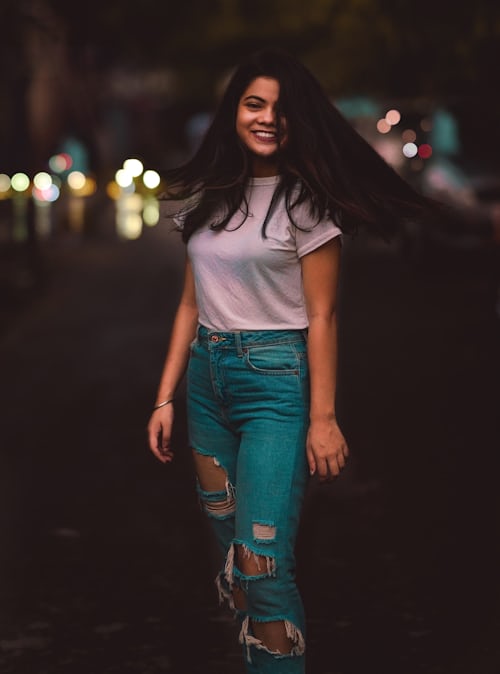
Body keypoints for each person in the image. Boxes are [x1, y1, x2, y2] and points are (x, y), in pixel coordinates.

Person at [147, 48, 432, 673]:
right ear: (235, 113)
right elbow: (189, 305)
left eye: (280, 108)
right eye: (254, 103)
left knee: (261, 561)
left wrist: (322, 419)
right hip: (205, 385)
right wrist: (165, 397)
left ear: (298, 119)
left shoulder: (308, 204)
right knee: (235, 561)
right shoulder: (215, 197)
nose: (267, 118)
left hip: (276, 384)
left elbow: (323, 317)